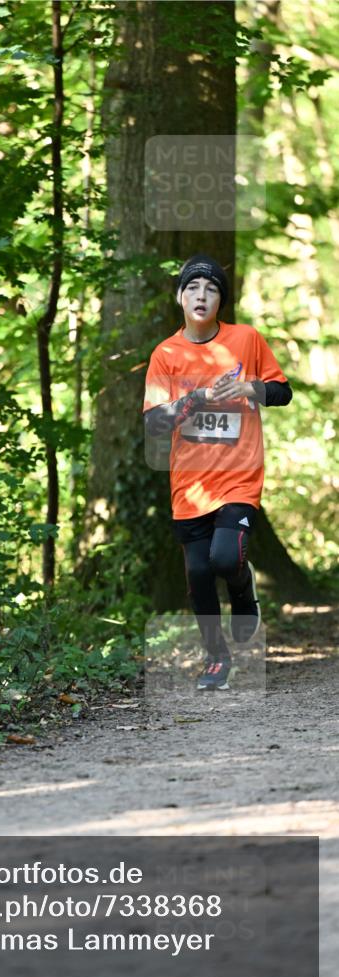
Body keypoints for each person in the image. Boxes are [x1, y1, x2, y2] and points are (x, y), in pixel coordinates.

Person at [142, 254, 292, 691]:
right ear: (180, 297)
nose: (202, 295)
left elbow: (282, 392)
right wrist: (198, 398)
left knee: (225, 559)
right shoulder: (166, 354)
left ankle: (244, 596)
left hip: (239, 477)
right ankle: (215, 658)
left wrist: (250, 387)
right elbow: (154, 422)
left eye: (211, 289)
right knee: (199, 575)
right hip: (189, 486)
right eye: (193, 288)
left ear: (221, 300)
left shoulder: (246, 340)